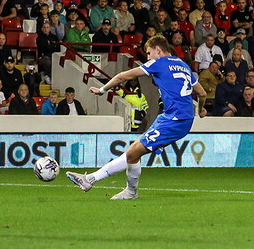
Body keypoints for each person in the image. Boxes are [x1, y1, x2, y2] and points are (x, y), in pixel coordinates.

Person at [67, 35, 206, 200]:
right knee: (134, 153)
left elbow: (123, 76)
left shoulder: (159, 62)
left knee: (133, 151)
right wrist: (201, 110)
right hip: (175, 117)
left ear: (158, 50)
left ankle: (90, 179)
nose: (147, 57)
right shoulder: (183, 65)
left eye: (148, 53)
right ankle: (129, 192)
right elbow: (202, 93)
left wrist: (102, 90)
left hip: (175, 119)